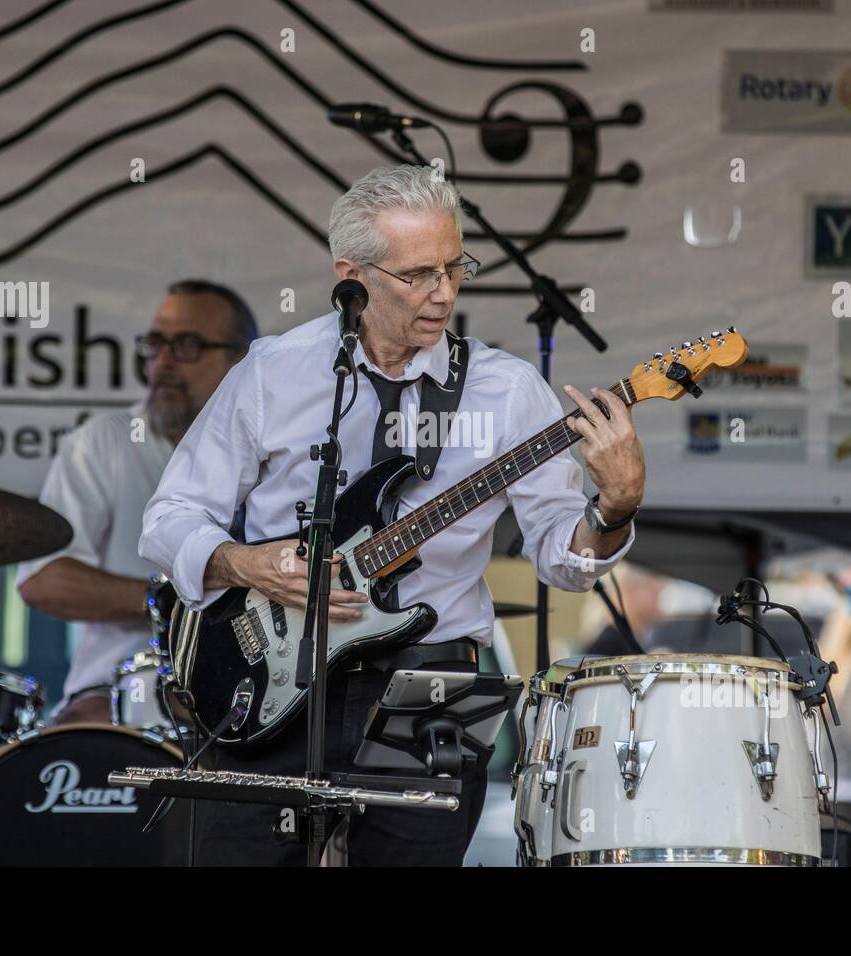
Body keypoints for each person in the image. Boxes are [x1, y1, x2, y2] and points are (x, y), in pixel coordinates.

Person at [139, 164, 646, 865]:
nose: (444, 293)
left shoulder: (506, 393)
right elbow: (168, 517)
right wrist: (246, 563)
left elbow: (562, 557)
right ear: (353, 276)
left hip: (432, 687)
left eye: (454, 267)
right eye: (417, 275)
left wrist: (614, 510)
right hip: (265, 674)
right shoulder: (273, 372)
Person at [18, 280, 257, 723]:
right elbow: (42, 580)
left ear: (242, 360)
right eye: (155, 344)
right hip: (112, 697)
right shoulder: (101, 442)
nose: (163, 362)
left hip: (255, 699)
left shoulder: (281, 453)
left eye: (186, 345)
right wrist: (173, 600)